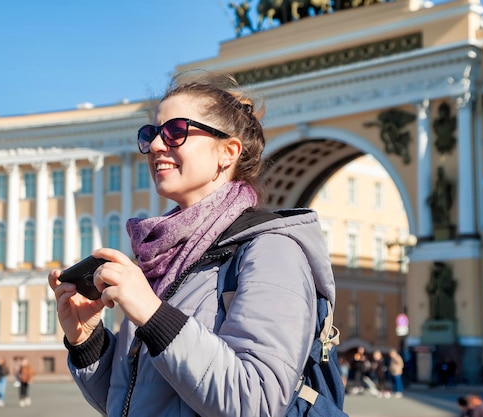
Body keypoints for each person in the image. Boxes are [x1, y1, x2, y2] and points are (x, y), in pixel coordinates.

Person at [48, 71, 336, 416]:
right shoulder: (161, 259)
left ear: (227, 152)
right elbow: (132, 400)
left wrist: (154, 316)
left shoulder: (272, 251)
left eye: (175, 132)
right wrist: (87, 340)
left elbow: (256, 400)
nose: (155, 145)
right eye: (150, 134)